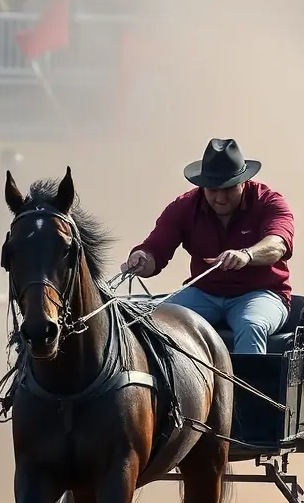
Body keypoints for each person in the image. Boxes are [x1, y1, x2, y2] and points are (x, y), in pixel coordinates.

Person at [122, 138, 294, 355]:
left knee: (252, 325)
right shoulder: (184, 207)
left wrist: (247, 255)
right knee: (153, 321)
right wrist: (140, 259)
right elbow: (155, 250)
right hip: (204, 293)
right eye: (212, 189)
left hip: (261, 294)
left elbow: (277, 244)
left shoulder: (269, 202)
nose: (220, 198)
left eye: (229, 188)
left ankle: (245, 389)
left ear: (244, 181)